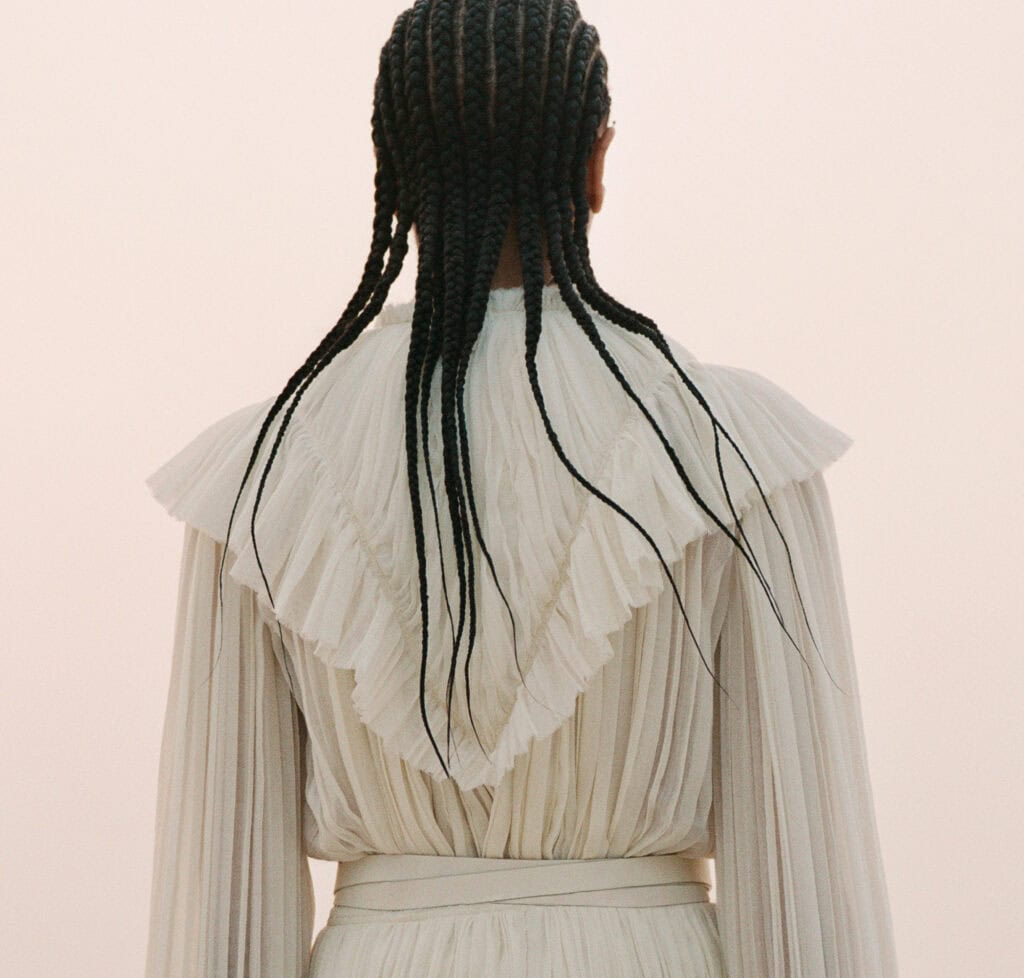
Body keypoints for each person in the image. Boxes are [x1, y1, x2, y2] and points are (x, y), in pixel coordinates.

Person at [142, 1, 899, 975]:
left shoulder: (258, 476)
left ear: (398, 174)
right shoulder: (735, 449)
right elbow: (805, 874)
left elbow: (221, 905)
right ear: (595, 164)